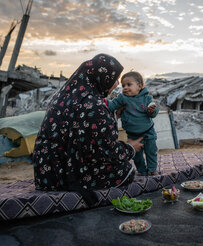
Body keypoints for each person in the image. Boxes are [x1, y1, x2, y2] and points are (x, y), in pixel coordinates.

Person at [33, 54, 143, 205]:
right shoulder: (94, 104)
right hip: (66, 174)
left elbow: (86, 132)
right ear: (102, 77)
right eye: (115, 78)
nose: (117, 83)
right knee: (126, 169)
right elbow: (106, 150)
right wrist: (130, 148)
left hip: (45, 171)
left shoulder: (64, 95)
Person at [107, 71, 159, 176]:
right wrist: (102, 104)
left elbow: (153, 114)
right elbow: (111, 106)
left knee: (151, 152)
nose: (125, 88)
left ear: (139, 86)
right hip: (132, 135)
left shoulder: (147, 98)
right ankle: (142, 171)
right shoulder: (122, 98)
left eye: (129, 85)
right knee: (137, 155)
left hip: (148, 132)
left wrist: (152, 110)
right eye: (123, 85)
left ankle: (152, 169)